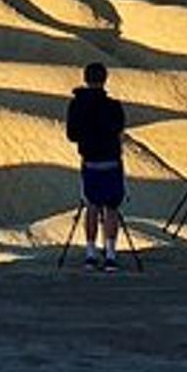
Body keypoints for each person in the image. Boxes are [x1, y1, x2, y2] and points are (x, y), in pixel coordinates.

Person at [65, 61, 126, 272]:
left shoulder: (76, 105)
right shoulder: (114, 106)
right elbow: (119, 130)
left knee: (91, 206)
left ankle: (90, 254)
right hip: (111, 162)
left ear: (86, 79)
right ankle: (110, 254)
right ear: (104, 79)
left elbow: (71, 135)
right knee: (112, 208)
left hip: (90, 162)